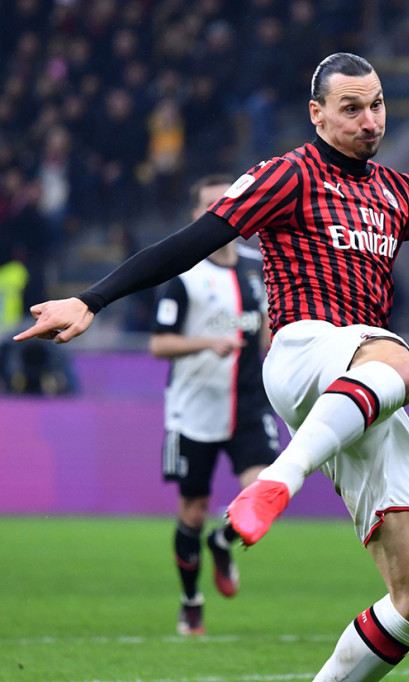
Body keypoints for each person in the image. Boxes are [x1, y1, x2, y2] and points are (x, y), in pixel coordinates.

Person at [15, 52, 409, 681]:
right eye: (351, 108)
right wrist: (91, 298)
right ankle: (278, 482)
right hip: (305, 348)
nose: (369, 120)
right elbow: (192, 242)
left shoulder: (398, 191)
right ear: (316, 114)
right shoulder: (287, 175)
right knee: (407, 367)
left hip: (358, 385)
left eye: (376, 105)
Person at [150, 174, 280, 636]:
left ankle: (222, 541)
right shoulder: (182, 277)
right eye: (210, 205)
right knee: (192, 509)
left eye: (227, 202)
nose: (219, 211)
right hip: (194, 408)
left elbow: (266, 326)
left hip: (247, 403)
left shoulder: (256, 266)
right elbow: (159, 344)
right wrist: (208, 343)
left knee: (267, 488)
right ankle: (191, 602)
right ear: (195, 215)